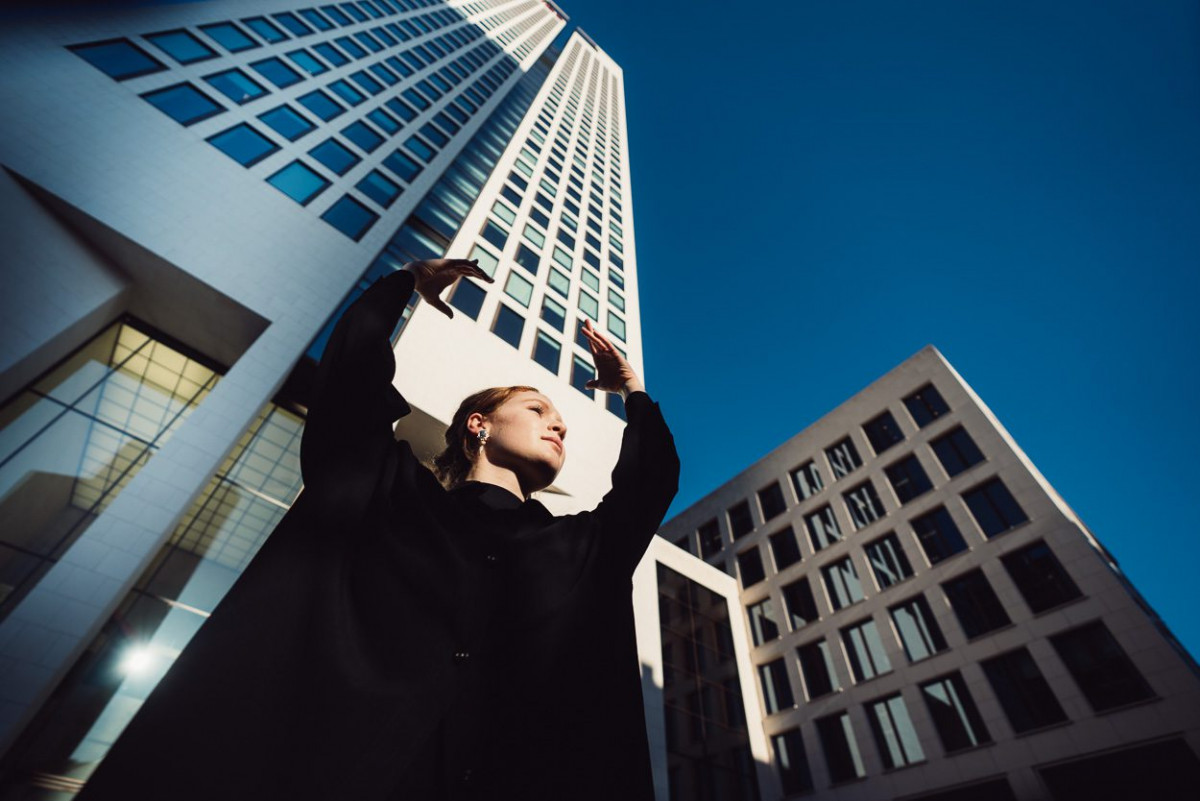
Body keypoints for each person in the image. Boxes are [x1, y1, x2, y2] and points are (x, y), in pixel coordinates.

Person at [78, 258, 680, 800]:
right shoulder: (387, 492)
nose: (560, 427)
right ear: (479, 425)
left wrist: (631, 389)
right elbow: (353, 378)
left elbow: (651, 480)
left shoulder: (578, 549)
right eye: (537, 410)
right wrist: (408, 283)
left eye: (561, 422)